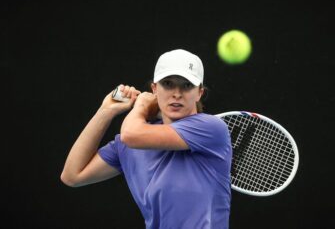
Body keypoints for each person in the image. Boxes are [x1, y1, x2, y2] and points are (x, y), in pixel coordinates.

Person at [61, 49, 232, 229]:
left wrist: (141, 105)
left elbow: (131, 135)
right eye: (168, 83)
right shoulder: (128, 145)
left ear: (199, 93)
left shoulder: (211, 128)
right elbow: (72, 176)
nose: (177, 93)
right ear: (154, 89)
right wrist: (105, 112)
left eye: (187, 85)